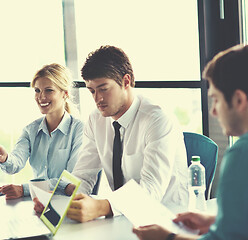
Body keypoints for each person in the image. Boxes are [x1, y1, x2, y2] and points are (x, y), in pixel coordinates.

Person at [34, 46, 189, 222]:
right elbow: (83, 176)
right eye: (92, 91)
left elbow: (151, 190)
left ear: (126, 81)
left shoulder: (157, 120)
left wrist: (101, 206)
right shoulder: (96, 120)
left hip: (167, 219)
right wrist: (57, 202)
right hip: (122, 217)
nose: (97, 99)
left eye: (104, 89)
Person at [133, 44, 248, 240]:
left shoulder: (245, 152)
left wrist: (167, 238)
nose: (213, 111)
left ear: (238, 100)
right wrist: (216, 221)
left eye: (216, 99)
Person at [0, 63, 83, 199]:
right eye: (37, 90)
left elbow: (70, 181)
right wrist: (4, 158)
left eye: (49, 90)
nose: (41, 97)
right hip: (38, 202)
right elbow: (14, 165)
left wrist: (24, 189)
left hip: (68, 204)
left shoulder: (79, 129)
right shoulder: (30, 130)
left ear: (65, 94)